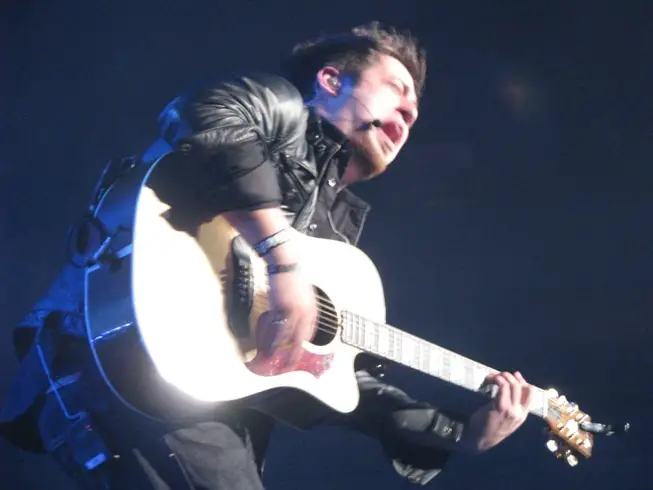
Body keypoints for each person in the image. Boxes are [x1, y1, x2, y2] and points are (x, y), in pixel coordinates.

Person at [0, 22, 533, 489]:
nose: (410, 111)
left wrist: (460, 434)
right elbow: (204, 112)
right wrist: (281, 258)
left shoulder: (335, 236)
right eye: (396, 89)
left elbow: (337, 380)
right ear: (330, 81)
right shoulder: (278, 110)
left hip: (195, 398)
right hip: (117, 364)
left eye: (414, 112)